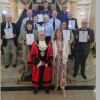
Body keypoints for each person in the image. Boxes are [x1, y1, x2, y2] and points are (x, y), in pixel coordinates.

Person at [52, 28, 69, 98]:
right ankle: (56, 85)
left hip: (62, 60)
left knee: (62, 75)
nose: (58, 33)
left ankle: (63, 89)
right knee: (56, 74)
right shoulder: (53, 41)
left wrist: (65, 58)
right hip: (55, 60)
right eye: (57, 32)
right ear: (55, 33)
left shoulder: (65, 41)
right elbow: (52, 50)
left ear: (62, 33)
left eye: (60, 32)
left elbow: (67, 50)